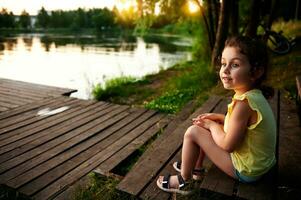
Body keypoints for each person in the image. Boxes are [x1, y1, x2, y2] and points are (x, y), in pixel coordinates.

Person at [156, 36, 277, 194]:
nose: (225, 70)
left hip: (247, 170)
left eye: (235, 65)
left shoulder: (243, 104)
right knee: (206, 125)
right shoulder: (252, 96)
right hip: (260, 164)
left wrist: (212, 125)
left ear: (256, 71)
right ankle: (196, 168)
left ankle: (184, 181)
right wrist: (218, 119)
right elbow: (242, 127)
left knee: (193, 132)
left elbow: (228, 144)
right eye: (223, 64)